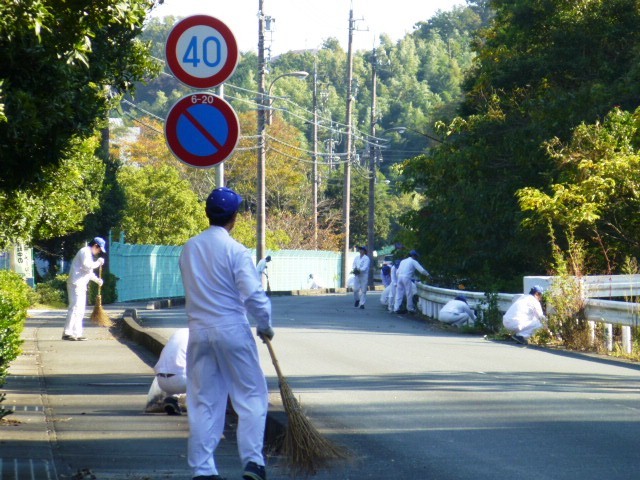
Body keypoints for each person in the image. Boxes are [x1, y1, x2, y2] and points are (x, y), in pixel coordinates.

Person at [179, 187, 273, 480]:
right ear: (235, 216)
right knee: (251, 396)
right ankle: (253, 463)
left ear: (208, 213)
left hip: (199, 331)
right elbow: (253, 294)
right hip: (232, 328)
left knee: (204, 401)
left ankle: (203, 470)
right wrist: (265, 323)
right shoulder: (236, 251)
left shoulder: (189, 248)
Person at [62, 237, 106, 341]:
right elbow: (87, 266)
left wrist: (97, 280)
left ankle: (77, 333)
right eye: (99, 249)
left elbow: (88, 272)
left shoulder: (88, 254)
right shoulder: (85, 251)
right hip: (75, 284)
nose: (99, 252)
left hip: (81, 285)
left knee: (80, 310)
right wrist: (98, 263)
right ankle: (68, 332)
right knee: (75, 308)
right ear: (95, 246)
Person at [154, 328, 189, 415]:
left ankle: (172, 398)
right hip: (182, 381)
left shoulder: (179, 333)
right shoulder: (199, 336)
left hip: (161, 381)